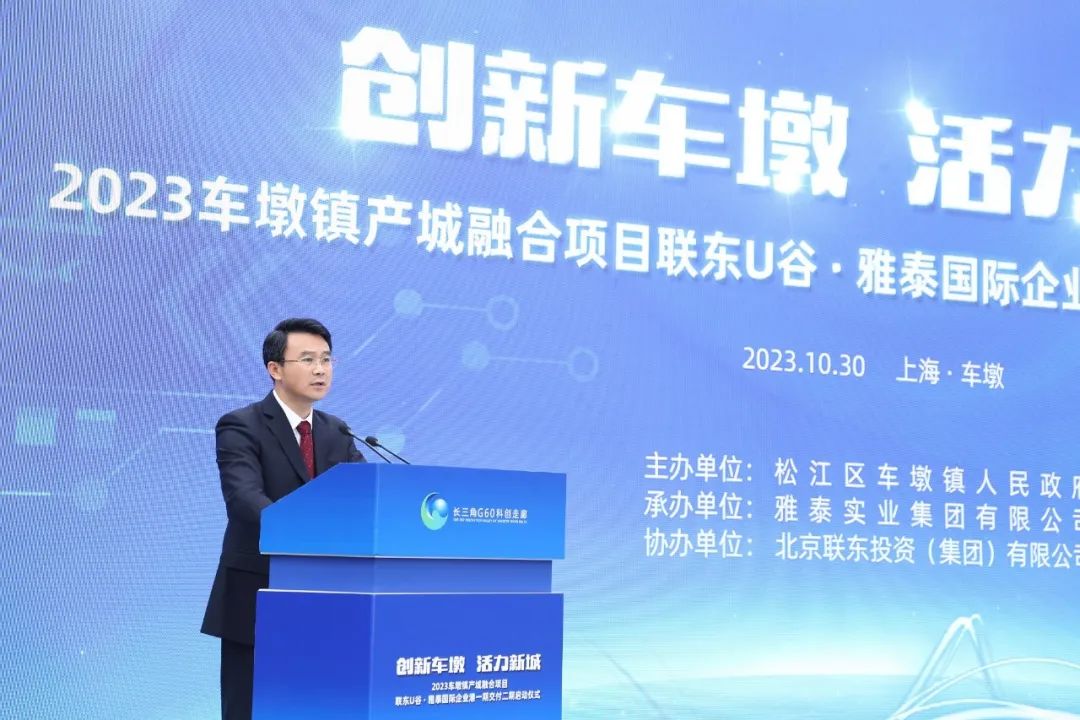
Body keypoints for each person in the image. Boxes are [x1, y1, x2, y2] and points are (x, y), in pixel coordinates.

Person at [201, 318, 365, 719]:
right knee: (250, 707)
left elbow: (367, 496)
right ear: (274, 368)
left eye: (326, 359)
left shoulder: (337, 431)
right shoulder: (241, 425)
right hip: (258, 595)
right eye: (307, 359)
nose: (320, 369)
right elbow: (245, 499)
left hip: (326, 596)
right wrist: (309, 534)